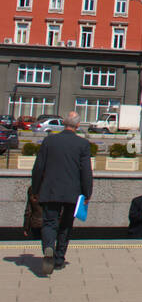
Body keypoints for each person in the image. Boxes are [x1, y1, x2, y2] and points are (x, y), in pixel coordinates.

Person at [31, 111, 93, 275]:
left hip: (51, 190)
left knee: (49, 222)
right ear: (78, 125)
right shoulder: (83, 145)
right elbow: (86, 172)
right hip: (73, 193)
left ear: (63, 123)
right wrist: (87, 194)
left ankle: (49, 247)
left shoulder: (49, 140)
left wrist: (36, 189)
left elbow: (38, 167)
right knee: (66, 225)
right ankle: (59, 259)